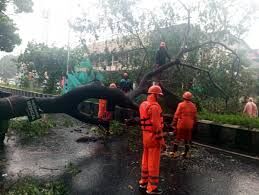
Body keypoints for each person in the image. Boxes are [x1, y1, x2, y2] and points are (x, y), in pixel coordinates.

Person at [139, 85, 165, 195]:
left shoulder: (143, 104)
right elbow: (156, 126)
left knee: (145, 158)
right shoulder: (155, 107)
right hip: (153, 137)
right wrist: (162, 141)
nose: (160, 97)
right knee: (153, 162)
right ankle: (152, 188)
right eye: (159, 95)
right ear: (154, 95)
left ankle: (143, 182)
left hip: (145, 136)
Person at [172, 91, 197, 158]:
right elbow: (195, 117)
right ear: (190, 98)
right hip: (189, 126)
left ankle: (175, 153)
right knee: (187, 139)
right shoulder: (194, 106)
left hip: (181, 125)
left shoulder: (181, 105)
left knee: (177, 138)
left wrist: (174, 123)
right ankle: (186, 154)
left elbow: (176, 115)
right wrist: (193, 124)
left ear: (183, 97)